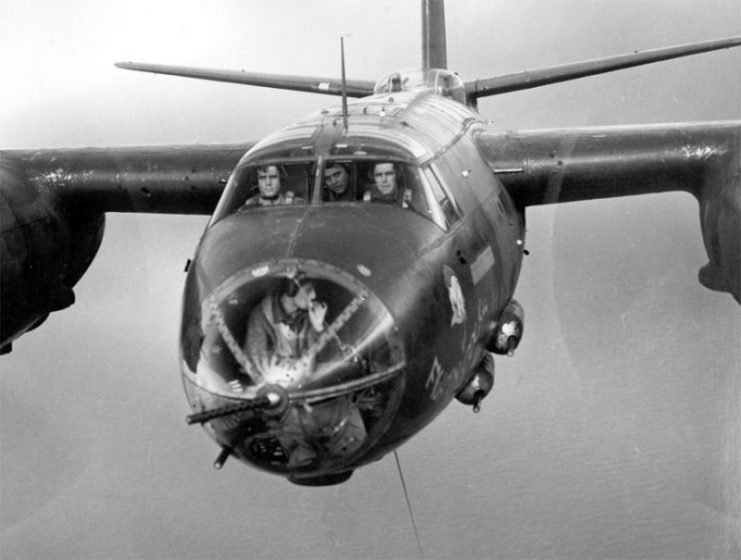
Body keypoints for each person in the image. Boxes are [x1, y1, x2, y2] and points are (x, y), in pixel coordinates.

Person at [245, 274, 327, 384]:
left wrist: (319, 327)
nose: (313, 295)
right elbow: (258, 361)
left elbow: (332, 358)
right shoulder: (260, 317)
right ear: (291, 289)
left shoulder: (310, 316)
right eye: (308, 290)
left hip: (307, 388)